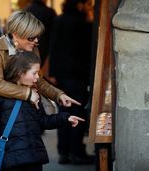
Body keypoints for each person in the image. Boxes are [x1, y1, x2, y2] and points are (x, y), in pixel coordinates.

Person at [0, 51, 85, 171]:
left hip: (34, 159)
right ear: (20, 73)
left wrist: (65, 118)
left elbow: (41, 121)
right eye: (34, 73)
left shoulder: (33, 93)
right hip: (10, 161)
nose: (38, 78)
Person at [0, 10, 80, 114]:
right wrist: (28, 93)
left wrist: (58, 95)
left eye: (37, 37)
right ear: (16, 35)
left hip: (30, 108)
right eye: (31, 37)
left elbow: (38, 80)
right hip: (5, 110)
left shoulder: (32, 48)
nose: (36, 41)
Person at [49, 0, 94, 164]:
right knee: (77, 113)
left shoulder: (59, 20)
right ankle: (76, 151)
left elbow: (53, 48)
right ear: (79, 5)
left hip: (62, 75)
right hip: (78, 75)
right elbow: (89, 52)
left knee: (64, 111)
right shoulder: (84, 24)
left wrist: (52, 73)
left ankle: (63, 152)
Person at [25, 0, 57, 67]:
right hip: (45, 54)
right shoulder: (49, 12)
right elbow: (54, 37)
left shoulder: (25, 11)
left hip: (26, 51)